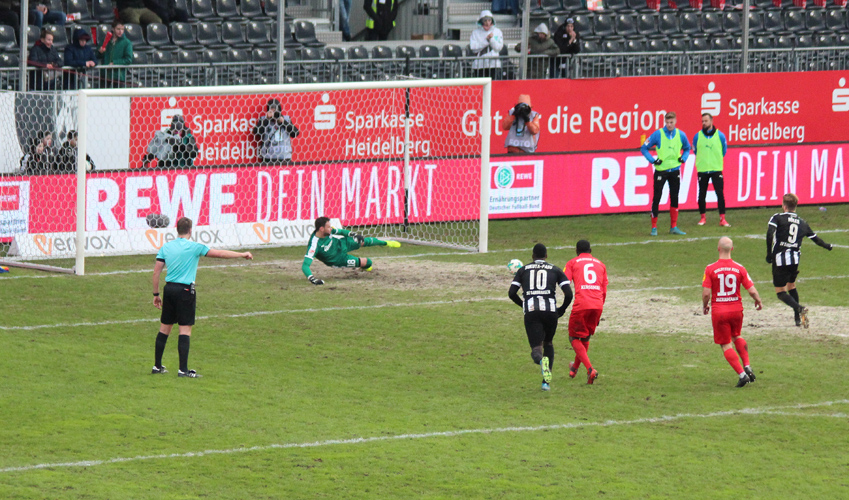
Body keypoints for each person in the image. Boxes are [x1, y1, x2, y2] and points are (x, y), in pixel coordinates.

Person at [151, 217, 253, 378]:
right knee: (185, 329)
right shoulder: (195, 247)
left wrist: (156, 294)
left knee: (165, 328)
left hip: (169, 289)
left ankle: (157, 366)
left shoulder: (166, 247)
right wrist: (242, 254)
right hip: (185, 290)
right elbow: (219, 254)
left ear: (177, 230)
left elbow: (156, 272)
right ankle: (183, 370)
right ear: (190, 230)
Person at [508, 243, 573, 391]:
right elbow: (569, 294)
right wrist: (561, 309)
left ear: (532, 256)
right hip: (550, 312)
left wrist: (524, 305)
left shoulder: (523, 270)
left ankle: (540, 361)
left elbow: (511, 293)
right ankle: (546, 383)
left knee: (536, 349)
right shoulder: (555, 269)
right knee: (548, 343)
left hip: (532, 312)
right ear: (546, 256)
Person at [702, 236, 762, 388]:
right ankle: (747, 365)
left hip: (720, 311)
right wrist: (758, 300)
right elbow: (752, 290)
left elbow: (706, 293)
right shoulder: (740, 268)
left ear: (718, 248)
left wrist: (705, 305)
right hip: (737, 310)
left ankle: (742, 375)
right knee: (736, 335)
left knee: (725, 344)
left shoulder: (710, 268)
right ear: (732, 249)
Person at [766, 193, 833, 328]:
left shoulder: (777, 217)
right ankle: (797, 319)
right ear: (795, 206)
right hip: (795, 259)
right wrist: (828, 246)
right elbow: (816, 239)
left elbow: (769, 233)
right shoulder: (802, 222)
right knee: (792, 286)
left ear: (784, 206)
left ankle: (799, 308)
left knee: (780, 292)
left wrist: (769, 253)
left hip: (780, 259)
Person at [302, 217, 401, 285]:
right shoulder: (314, 245)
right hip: (338, 259)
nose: (331, 228)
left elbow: (341, 231)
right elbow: (305, 265)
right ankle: (364, 267)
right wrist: (312, 279)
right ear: (321, 229)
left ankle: (386, 243)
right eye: (328, 227)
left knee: (362, 241)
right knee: (368, 262)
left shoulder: (328, 231)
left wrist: (353, 234)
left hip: (342, 244)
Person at [563, 240, 607, 385]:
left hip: (582, 304)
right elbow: (604, 290)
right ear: (591, 249)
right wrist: (599, 310)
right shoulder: (601, 264)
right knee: (585, 337)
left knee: (573, 338)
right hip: (597, 304)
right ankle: (574, 369)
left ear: (576, 250)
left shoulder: (572, 263)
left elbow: (565, 282)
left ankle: (590, 369)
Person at [640, 111, 691, 236]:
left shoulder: (681, 134)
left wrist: (684, 158)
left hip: (674, 170)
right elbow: (644, 148)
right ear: (665, 122)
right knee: (657, 198)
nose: (669, 125)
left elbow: (687, 148)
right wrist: (653, 160)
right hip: (661, 171)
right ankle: (654, 227)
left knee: (674, 197)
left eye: (671, 122)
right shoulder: (658, 134)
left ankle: (673, 226)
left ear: (675, 121)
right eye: (667, 122)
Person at [693, 113, 730, 227]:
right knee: (702, 194)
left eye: (706, 121)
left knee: (719, 193)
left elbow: (724, 150)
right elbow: (695, 150)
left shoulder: (720, 135)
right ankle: (703, 218)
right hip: (703, 169)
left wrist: (715, 160)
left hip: (716, 168)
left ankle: (722, 219)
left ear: (711, 121)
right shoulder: (697, 136)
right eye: (702, 121)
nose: (704, 123)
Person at [253, 98, 300, 163]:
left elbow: (295, 133)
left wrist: (283, 122)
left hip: (284, 157)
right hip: (268, 157)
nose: (274, 114)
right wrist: (267, 119)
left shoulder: (286, 119)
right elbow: (257, 133)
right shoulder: (264, 119)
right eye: (271, 111)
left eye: (275, 111)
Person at [97, 20, 134, 87]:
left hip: (118, 76)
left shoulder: (127, 42)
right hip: (105, 75)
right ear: (112, 29)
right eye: (118, 29)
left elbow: (128, 59)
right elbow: (97, 56)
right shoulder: (105, 40)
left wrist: (114, 63)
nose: (121, 31)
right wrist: (100, 52)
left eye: (122, 29)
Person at [469, 10, 503, 80]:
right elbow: (473, 48)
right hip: (480, 65)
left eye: (489, 20)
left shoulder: (497, 32)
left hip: (494, 65)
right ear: (481, 21)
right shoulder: (475, 33)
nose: (487, 23)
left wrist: (491, 40)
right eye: (485, 21)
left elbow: (498, 48)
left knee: (494, 87)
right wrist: (486, 41)